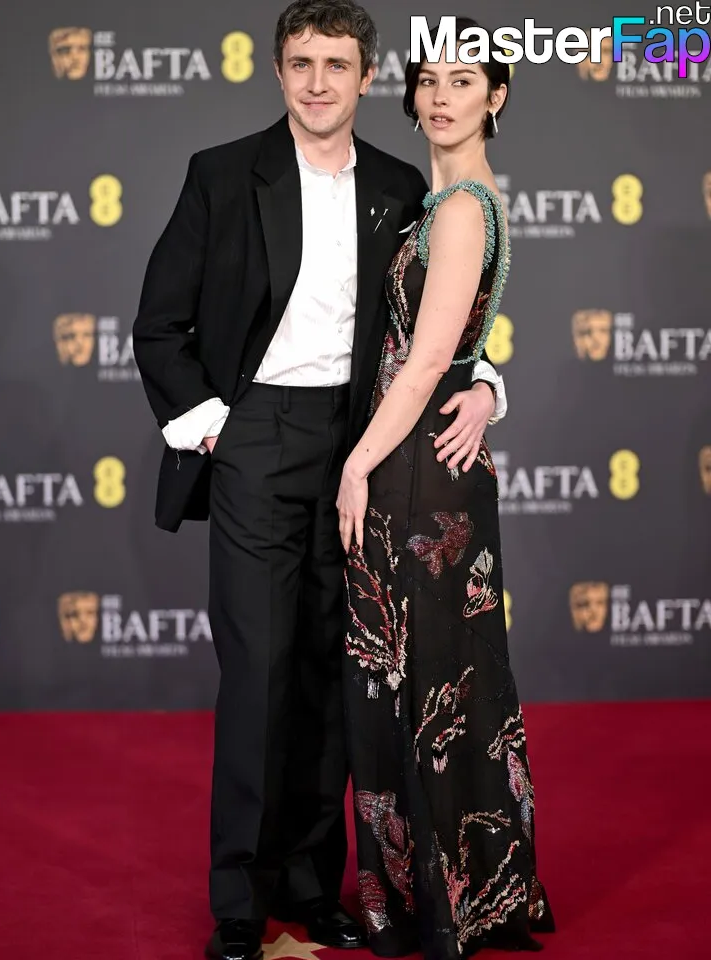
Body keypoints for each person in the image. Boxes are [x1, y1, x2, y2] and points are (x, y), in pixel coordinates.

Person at [132, 3, 507, 958]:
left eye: (337, 64)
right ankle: (241, 903)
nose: (317, 82)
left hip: (359, 448)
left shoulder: (397, 185)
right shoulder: (222, 174)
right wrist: (219, 432)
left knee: (334, 679)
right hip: (255, 437)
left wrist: (488, 384)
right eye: (301, 63)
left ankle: (312, 884)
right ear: (278, 70)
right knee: (259, 674)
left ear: (367, 76)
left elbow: (439, 318)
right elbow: (159, 325)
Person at [337, 16, 555, 959]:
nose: (440, 96)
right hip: (428, 457)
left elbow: (428, 360)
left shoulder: (463, 207)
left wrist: (356, 463)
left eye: (463, 80)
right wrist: (489, 384)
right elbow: (460, 349)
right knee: (438, 677)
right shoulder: (452, 200)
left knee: (422, 680)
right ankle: (464, 892)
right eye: (428, 78)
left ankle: (438, 902)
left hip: (418, 472)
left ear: (496, 97)